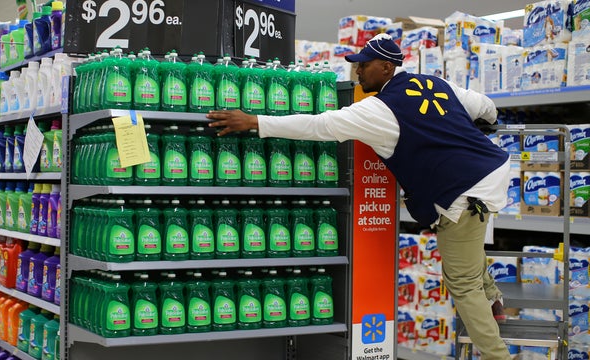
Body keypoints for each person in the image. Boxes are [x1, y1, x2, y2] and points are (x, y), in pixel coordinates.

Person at [207, 33, 511, 359]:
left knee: (461, 282)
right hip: (491, 170)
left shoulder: (379, 109)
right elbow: (486, 107)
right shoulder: (436, 83)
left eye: (363, 66)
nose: (357, 73)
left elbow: (320, 125)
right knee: (465, 244)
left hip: (462, 192)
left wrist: (254, 121)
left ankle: (498, 355)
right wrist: (485, 125)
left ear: (385, 67)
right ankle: (494, 303)